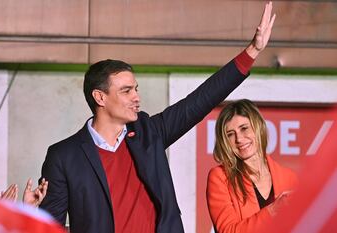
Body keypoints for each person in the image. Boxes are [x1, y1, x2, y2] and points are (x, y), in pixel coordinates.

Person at [40, 2, 276, 232]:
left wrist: (252, 51)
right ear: (100, 97)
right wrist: (28, 216)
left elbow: (200, 101)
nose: (136, 97)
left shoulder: (148, 132)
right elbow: (51, 227)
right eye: (126, 91)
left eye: (136, 88)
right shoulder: (63, 156)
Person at [206, 99, 298, 233]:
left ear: (259, 126)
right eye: (230, 134)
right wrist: (273, 210)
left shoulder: (289, 177)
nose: (239, 139)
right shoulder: (220, 177)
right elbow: (227, 231)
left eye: (244, 129)